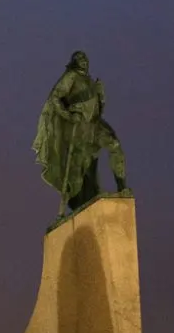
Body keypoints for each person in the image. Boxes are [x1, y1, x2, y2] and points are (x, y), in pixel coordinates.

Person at [33, 50, 129, 214]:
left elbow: (99, 109)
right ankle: (75, 200)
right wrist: (68, 115)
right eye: (80, 59)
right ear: (74, 62)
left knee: (115, 145)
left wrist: (101, 95)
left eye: (85, 58)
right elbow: (55, 97)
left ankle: (122, 187)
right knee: (80, 169)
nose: (84, 61)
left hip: (94, 124)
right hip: (80, 127)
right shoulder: (71, 76)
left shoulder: (91, 81)